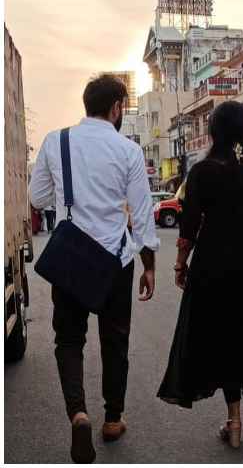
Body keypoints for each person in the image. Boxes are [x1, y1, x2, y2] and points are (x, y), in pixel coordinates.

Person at [29, 74, 159, 464]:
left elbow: (37, 198)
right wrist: (148, 265)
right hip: (115, 262)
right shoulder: (128, 151)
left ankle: (79, 414)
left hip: (72, 257)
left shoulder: (56, 141)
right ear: (117, 107)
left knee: (69, 340)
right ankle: (112, 419)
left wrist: (70, 198)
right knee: (114, 342)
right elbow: (142, 215)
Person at [157, 101, 243, 449]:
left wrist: (180, 264)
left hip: (214, 271)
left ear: (213, 131)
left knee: (227, 342)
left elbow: (189, 227)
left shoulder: (203, 171)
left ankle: (235, 422)